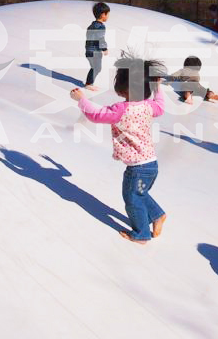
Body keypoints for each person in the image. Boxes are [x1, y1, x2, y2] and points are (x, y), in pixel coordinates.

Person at [70, 54, 167, 244]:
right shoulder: (148, 106)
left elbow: (97, 115)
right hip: (151, 165)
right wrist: (157, 88)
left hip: (137, 168)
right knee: (140, 193)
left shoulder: (120, 110)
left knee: (132, 197)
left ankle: (141, 233)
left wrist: (81, 99)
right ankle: (157, 215)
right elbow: (161, 107)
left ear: (124, 88)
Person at [84, 2, 109, 91]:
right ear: (103, 15)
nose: (108, 16)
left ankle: (89, 83)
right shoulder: (101, 27)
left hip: (88, 51)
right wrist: (104, 48)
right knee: (97, 67)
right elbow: (100, 38)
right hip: (95, 51)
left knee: (94, 67)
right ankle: (89, 84)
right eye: (107, 14)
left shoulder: (91, 25)